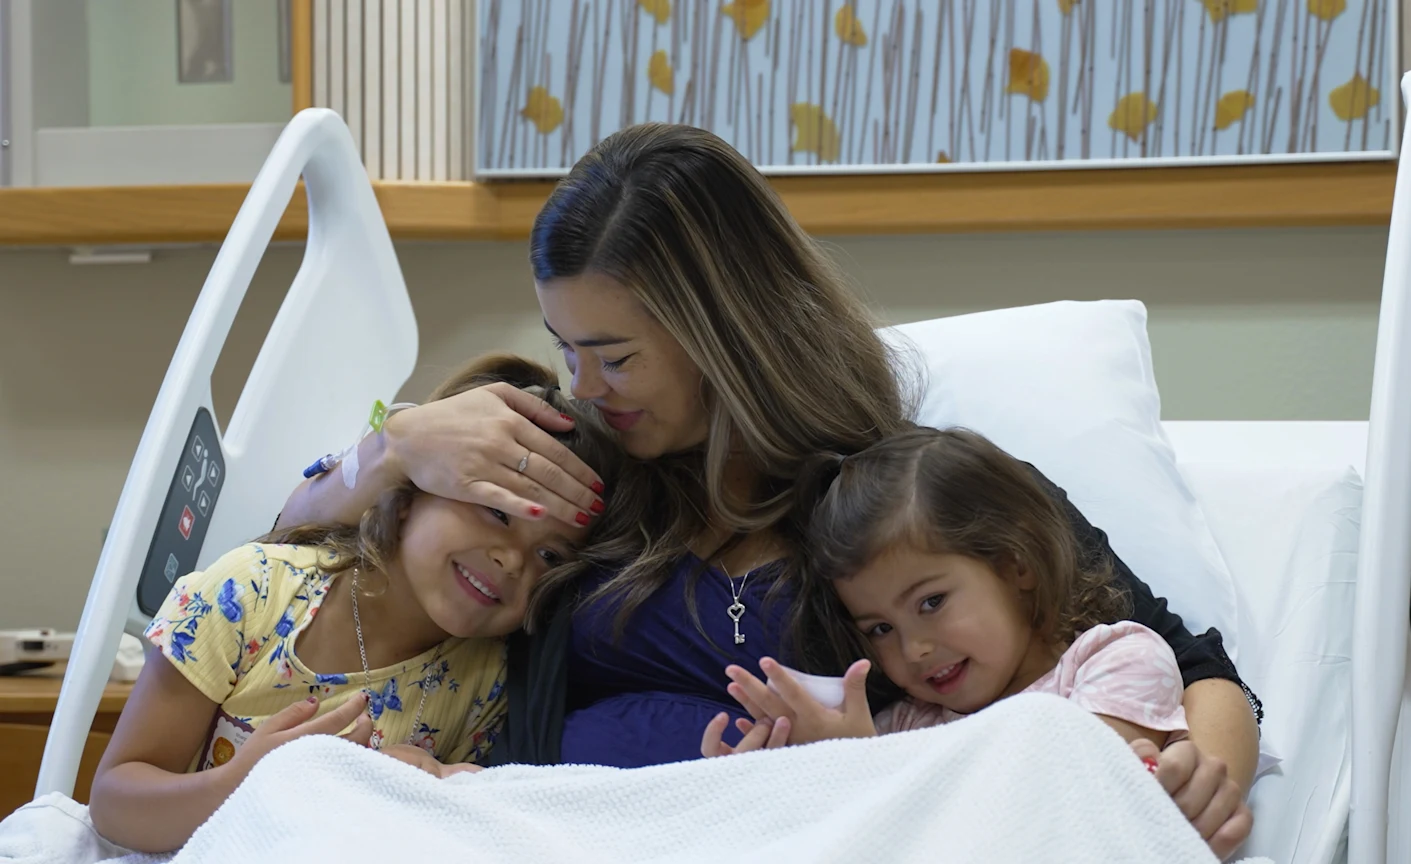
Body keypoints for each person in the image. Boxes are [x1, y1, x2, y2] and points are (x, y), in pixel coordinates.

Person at [275, 123, 1259, 856]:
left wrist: (1202, 780)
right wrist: (386, 452)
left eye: (613, 355)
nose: (581, 385)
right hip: (541, 834)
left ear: (719, 334)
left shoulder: (914, 501)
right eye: (564, 348)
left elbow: (1193, 662)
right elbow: (287, 554)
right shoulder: (570, 466)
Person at [90, 356, 627, 853]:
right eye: (498, 513)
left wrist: (431, 788)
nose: (513, 562)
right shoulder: (250, 595)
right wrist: (236, 786)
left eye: (550, 554)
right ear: (409, 494)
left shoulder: (483, 680)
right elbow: (114, 802)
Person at [700, 428, 1190, 772]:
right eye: (880, 629)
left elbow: (1062, 795)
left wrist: (865, 766)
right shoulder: (906, 724)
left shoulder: (1116, 660)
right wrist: (760, 782)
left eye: (931, 602)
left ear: (1014, 564)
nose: (913, 650)